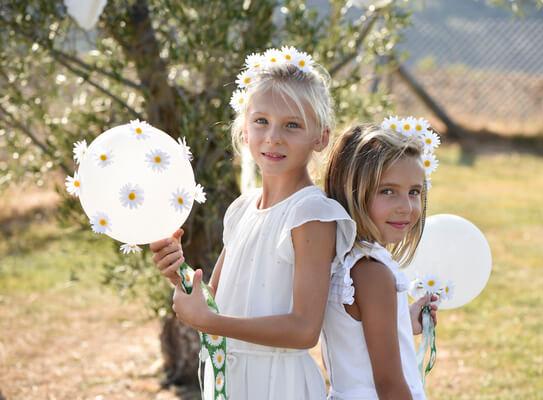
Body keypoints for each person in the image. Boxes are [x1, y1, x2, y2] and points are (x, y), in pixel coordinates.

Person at [149, 46, 356, 400]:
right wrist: (180, 273)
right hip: (231, 377)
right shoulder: (242, 208)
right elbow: (215, 301)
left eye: (292, 125)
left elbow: (304, 329)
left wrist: (211, 323)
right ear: (244, 130)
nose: (273, 137)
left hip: (279, 383)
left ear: (320, 137)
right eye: (261, 121)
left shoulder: (311, 214)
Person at [321, 117, 441, 400]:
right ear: (355, 193)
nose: (407, 207)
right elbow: (389, 385)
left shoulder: (344, 260)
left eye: (414, 192)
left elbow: (349, 346)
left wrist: (402, 321)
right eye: (388, 191)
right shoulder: (373, 273)